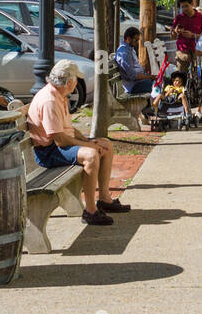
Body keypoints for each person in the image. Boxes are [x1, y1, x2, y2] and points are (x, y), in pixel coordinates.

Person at [26, 60, 130, 226]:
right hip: (49, 152)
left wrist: (88, 140)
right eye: (76, 80)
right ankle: (90, 211)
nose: (76, 83)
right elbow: (60, 140)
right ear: (69, 82)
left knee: (106, 145)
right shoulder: (49, 101)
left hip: (57, 145)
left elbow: (69, 130)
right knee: (91, 156)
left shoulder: (59, 96)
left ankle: (104, 199)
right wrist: (90, 146)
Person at [114, 26, 156, 96]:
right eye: (135, 40)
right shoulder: (124, 53)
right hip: (133, 86)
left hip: (139, 82)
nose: (137, 42)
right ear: (128, 39)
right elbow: (134, 76)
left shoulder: (129, 49)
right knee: (158, 87)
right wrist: (149, 77)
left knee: (162, 82)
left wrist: (148, 76)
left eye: (138, 40)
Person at [172, 0, 202, 65]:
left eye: (186, 6)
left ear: (192, 3)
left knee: (198, 75)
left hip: (197, 52)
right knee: (181, 75)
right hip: (182, 52)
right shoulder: (178, 18)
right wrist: (175, 31)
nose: (184, 9)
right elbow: (172, 37)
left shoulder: (201, 17)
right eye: (182, 7)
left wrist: (193, 35)